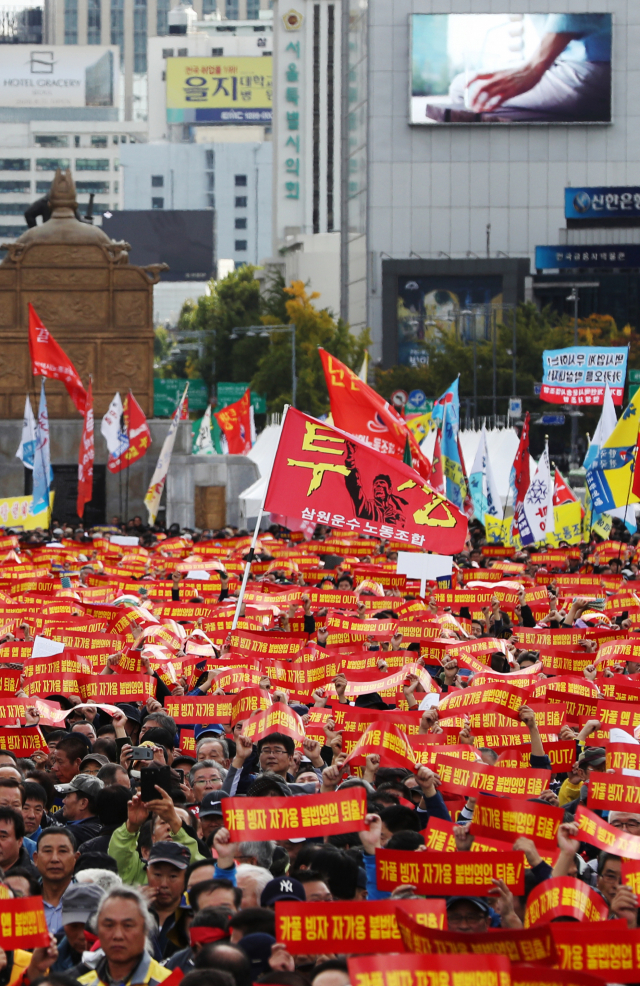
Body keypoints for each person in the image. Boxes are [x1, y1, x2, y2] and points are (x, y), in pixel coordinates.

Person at [77, 886, 173, 986]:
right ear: (97, 931)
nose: (118, 935)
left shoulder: (169, 983)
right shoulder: (83, 984)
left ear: (145, 930)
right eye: (109, 925)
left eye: (128, 926)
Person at [34, 829, 79, 934]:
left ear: (75, 858)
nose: (55, 859)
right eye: (47, 851)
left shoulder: (90, 903)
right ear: (36, 859)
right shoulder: (23, 902)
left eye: (62, 851)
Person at [57, 775, 103, 847]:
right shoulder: (99, 828)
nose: (63, 801)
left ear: (83, 803)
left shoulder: (76, 833)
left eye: (68, 796)